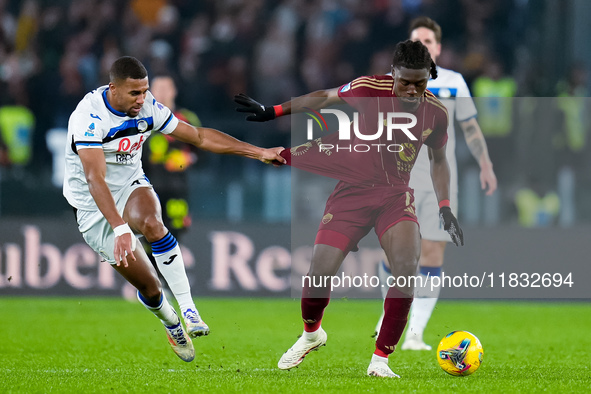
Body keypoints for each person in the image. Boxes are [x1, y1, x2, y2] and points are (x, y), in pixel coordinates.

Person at [235, 40, 464, 378]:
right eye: (405, 82)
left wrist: (444, 208)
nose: (413, 90)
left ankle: (380, 361)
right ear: (393, 75)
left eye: (420, 83)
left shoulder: (437, 114)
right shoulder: (368, 88)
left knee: (405, 272)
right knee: (318, 274)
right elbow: (325, 97)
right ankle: (312, 334)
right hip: (351, 195)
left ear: (428, 77)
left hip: (395, 197)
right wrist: (274, 111)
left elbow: (439, 161)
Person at [63, 56, 285, 362]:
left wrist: (258, 152)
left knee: (154, 223)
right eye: (134, 94)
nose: (143, 100)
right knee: (151, 289)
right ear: (113, 88)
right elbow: (94, 178)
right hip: (92, 205)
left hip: (130, 185)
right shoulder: (89, 117)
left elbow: (198, 136)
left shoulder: (148, 107)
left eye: (145, 91)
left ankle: (190, 310)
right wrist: (119, 228)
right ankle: (172, 322)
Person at [374, 17, 497, 351]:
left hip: (439, 180)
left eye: (428, 41)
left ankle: (414, 332)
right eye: (417, 41)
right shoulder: (392, 82)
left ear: (438, 48)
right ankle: (390, 315)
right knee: (394, 254)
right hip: (397, 178)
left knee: (431, 253)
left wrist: (485, 164)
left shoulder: (455, 82)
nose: (423, 46)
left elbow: (470, 128)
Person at [140, 75, 203, 321]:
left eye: (166, 87)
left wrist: (190, 159)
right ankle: (151, 285)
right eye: (157, 88)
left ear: (174, 90)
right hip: (147, 189)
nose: (162, 92)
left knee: (174, 235)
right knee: (148, 236)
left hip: (178, 191)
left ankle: (165, 285)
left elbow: (204, 150)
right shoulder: (141, 118)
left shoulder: (187, 119)